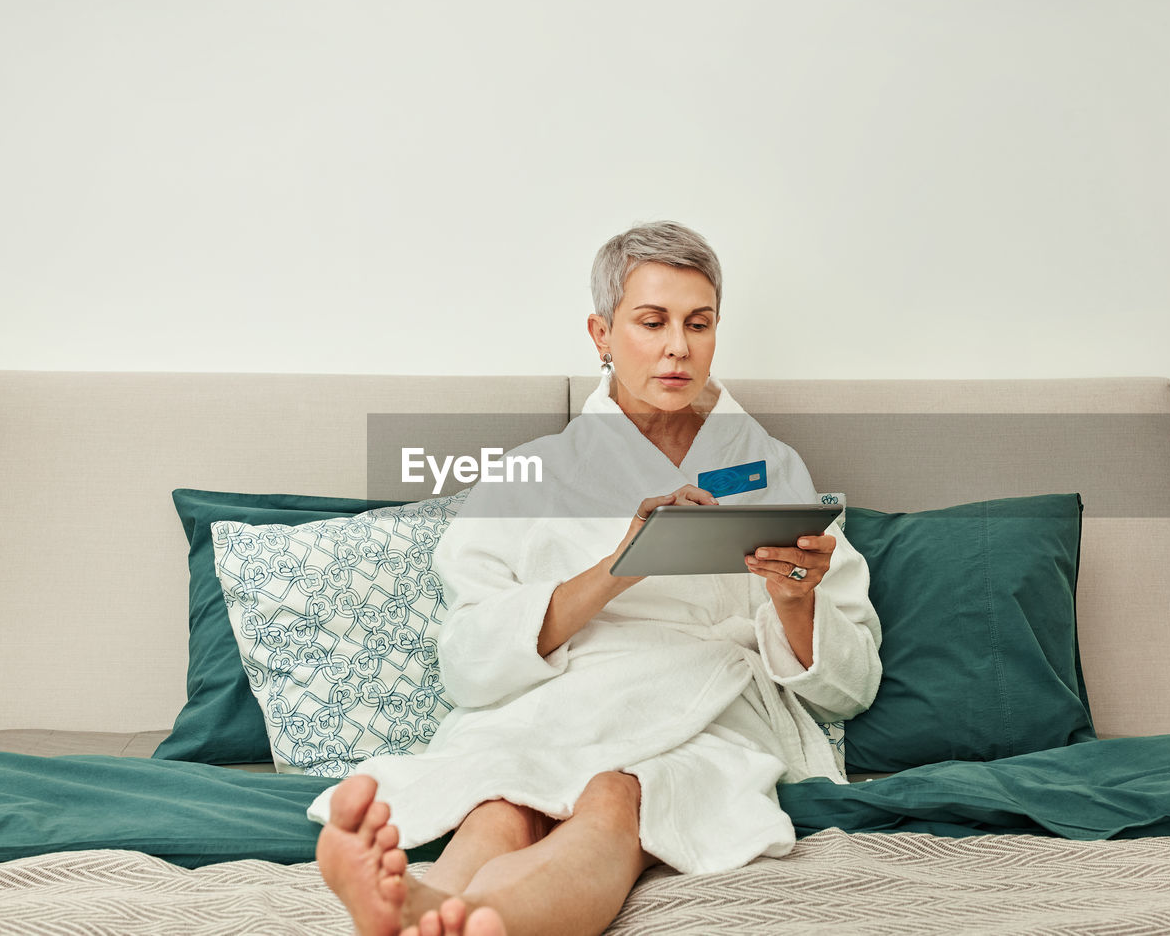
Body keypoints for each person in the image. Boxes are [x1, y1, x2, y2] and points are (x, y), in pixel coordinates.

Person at [312, 221, 883, 936]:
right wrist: (622, 564)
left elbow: (851, 688)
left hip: (706, 708)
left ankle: (479, 919)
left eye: (698, 324)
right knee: (503, 801)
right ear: (601, 333)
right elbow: (467, 660)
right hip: (558, 704)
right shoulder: (532, 473)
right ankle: (425, 904)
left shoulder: (773, 470)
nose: (679, 347)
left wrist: (795, 602)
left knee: (618, 796)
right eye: (652, 322)